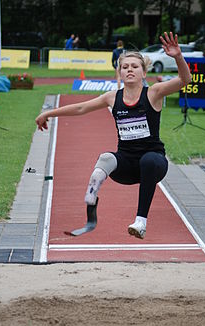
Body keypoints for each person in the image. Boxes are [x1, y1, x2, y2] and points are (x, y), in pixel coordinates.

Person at [36, 32, 192, 239]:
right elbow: (81, 108)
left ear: (144, 73)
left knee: (149, 160)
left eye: (134, 67)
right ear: (119, 72)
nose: (129, 70)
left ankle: (140, 222)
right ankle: (91, 197)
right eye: (125, 67)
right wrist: (49, 113)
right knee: (106, 157)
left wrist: (178, 56)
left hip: (153, 163)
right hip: (125, 167)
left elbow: (185, 80)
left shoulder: (154, 93)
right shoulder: (112, 97)